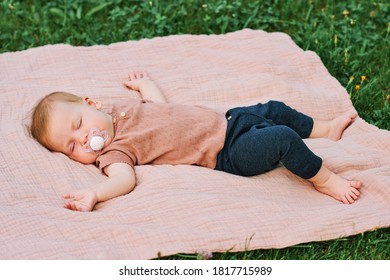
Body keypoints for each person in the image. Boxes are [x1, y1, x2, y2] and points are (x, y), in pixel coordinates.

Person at [30, 72, 362, 211]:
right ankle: (325, 179)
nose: (84, 140)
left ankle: (324, 129)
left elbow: (161, 110)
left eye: (78, 126)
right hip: (229, 152)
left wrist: (146, 86)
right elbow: (124, 179)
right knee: (281, 138)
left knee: (273, 109)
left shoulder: (121, 109)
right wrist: (94, 194)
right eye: (71, 147)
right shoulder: (115, 153)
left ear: (91, 104)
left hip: (230, 120)